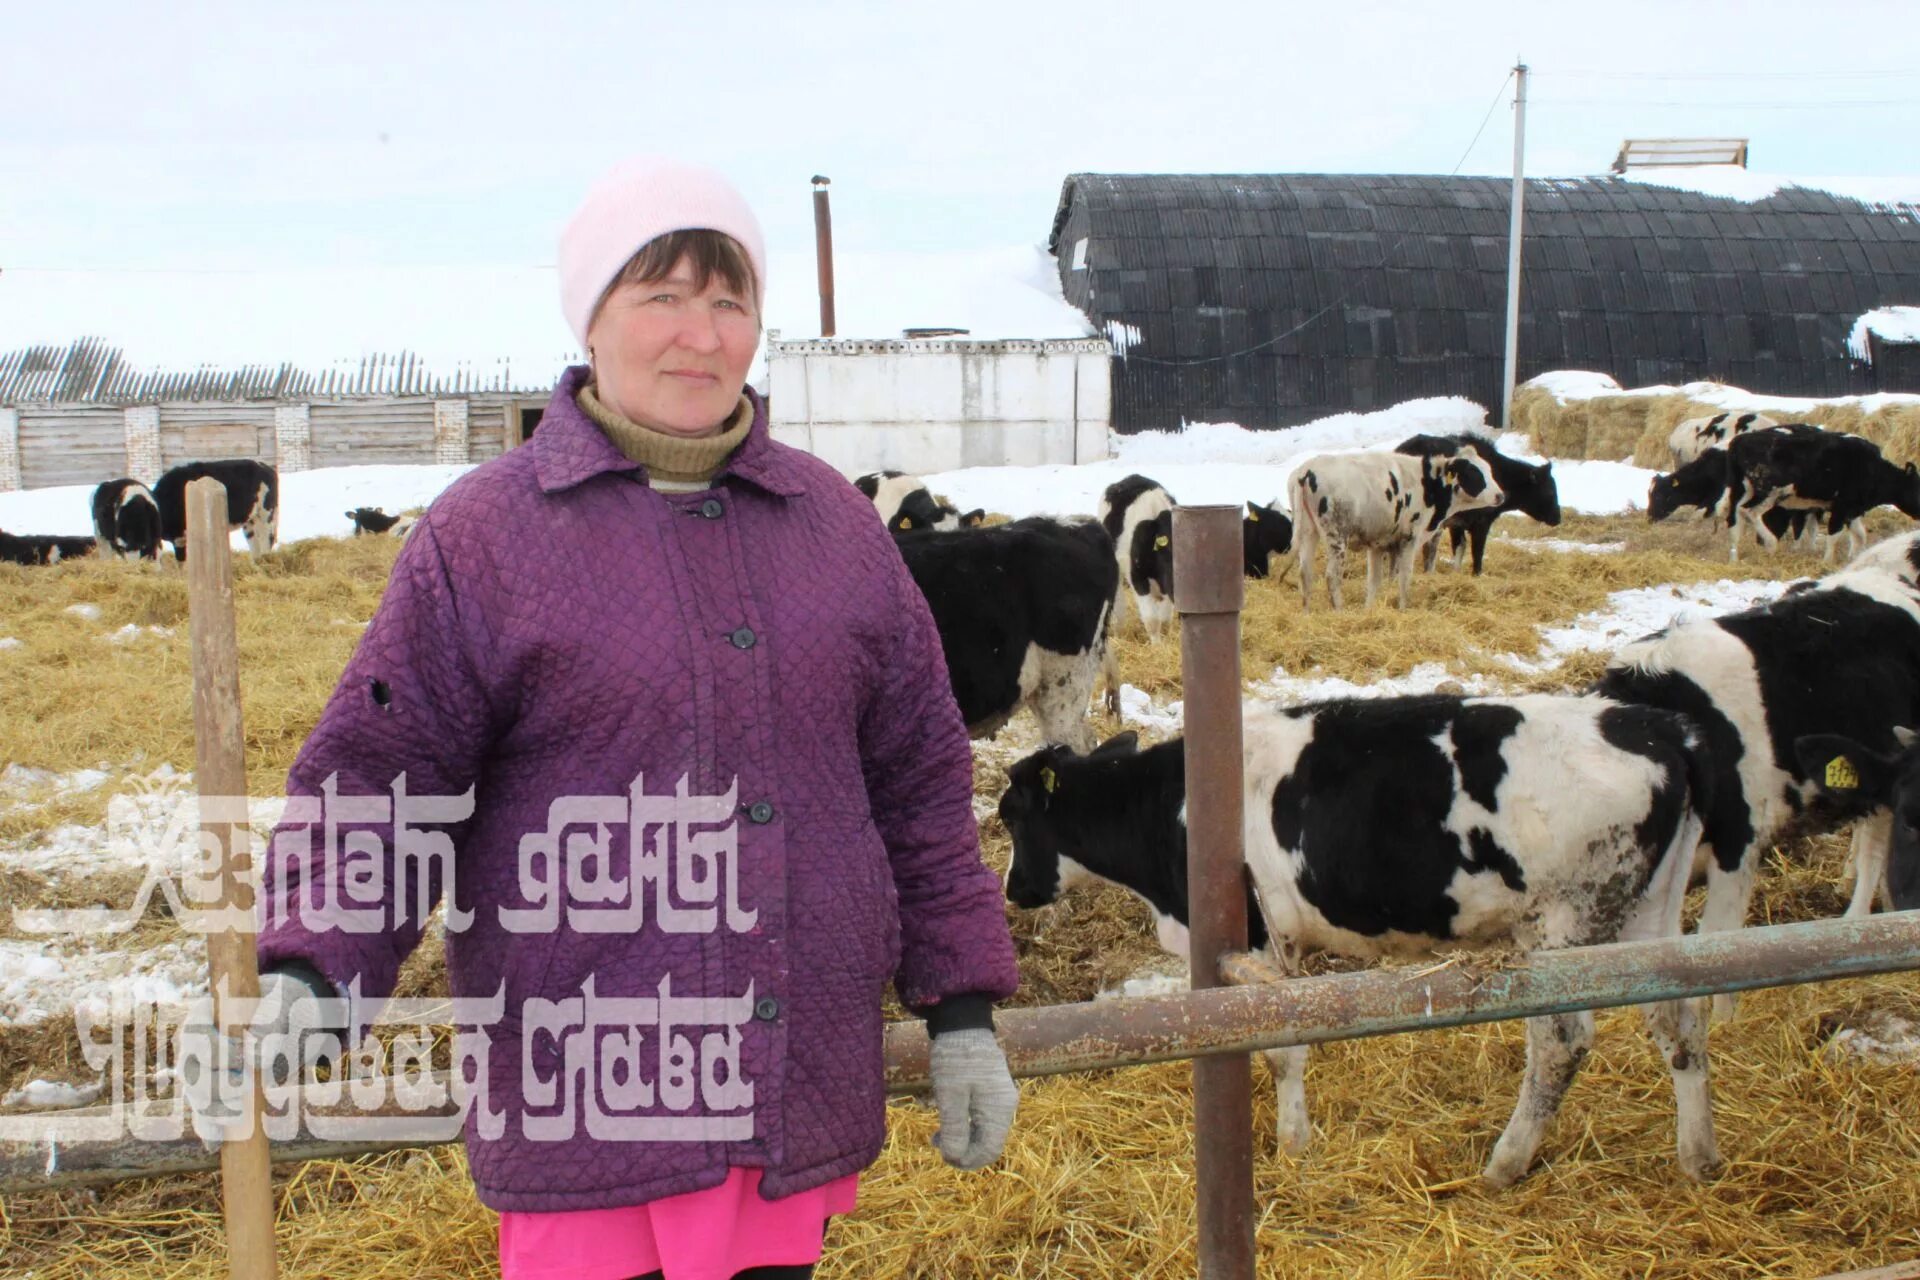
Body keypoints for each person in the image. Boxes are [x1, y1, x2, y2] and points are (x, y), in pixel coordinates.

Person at [246, 156, 1021, 1280]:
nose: (699, 335)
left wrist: (960, 1010)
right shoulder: (490, 536)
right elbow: (387, 769)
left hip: (785, 1097)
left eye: (729, 300)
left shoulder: (836, 531)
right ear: (591, 320)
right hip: (588, 1107)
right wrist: (318, 960)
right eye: (660, 296)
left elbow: (920, 788)